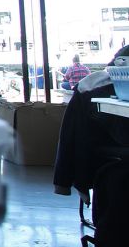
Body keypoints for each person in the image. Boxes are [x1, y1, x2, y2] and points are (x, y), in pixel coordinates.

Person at [53, 45, 129, 201]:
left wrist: (63, 182)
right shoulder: (93, 87)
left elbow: (69, 137)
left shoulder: (89, 86)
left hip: (100, 151)